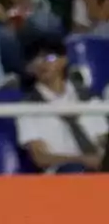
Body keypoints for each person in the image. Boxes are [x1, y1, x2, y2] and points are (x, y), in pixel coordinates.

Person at [18, 39, 108, 173]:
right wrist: (81, 159)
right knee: (75, 169)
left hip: (100, 168)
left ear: (63, 60)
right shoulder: (28, 107)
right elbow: (40, 158)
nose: (42, 64)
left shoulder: (88, 98)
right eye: (36, 60)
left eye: (49, 57)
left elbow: (103, 138)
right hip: (63, 174)